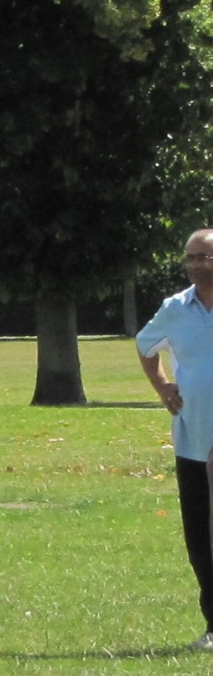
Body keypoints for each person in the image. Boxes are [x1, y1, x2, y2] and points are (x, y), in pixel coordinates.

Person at [135, 228, 213, 649]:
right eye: (191, 257)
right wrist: (163, 387)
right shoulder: (174, 308)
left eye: (206, 257)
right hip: (192, 437)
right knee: (200, 535)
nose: (198, 265)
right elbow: (146, 346)